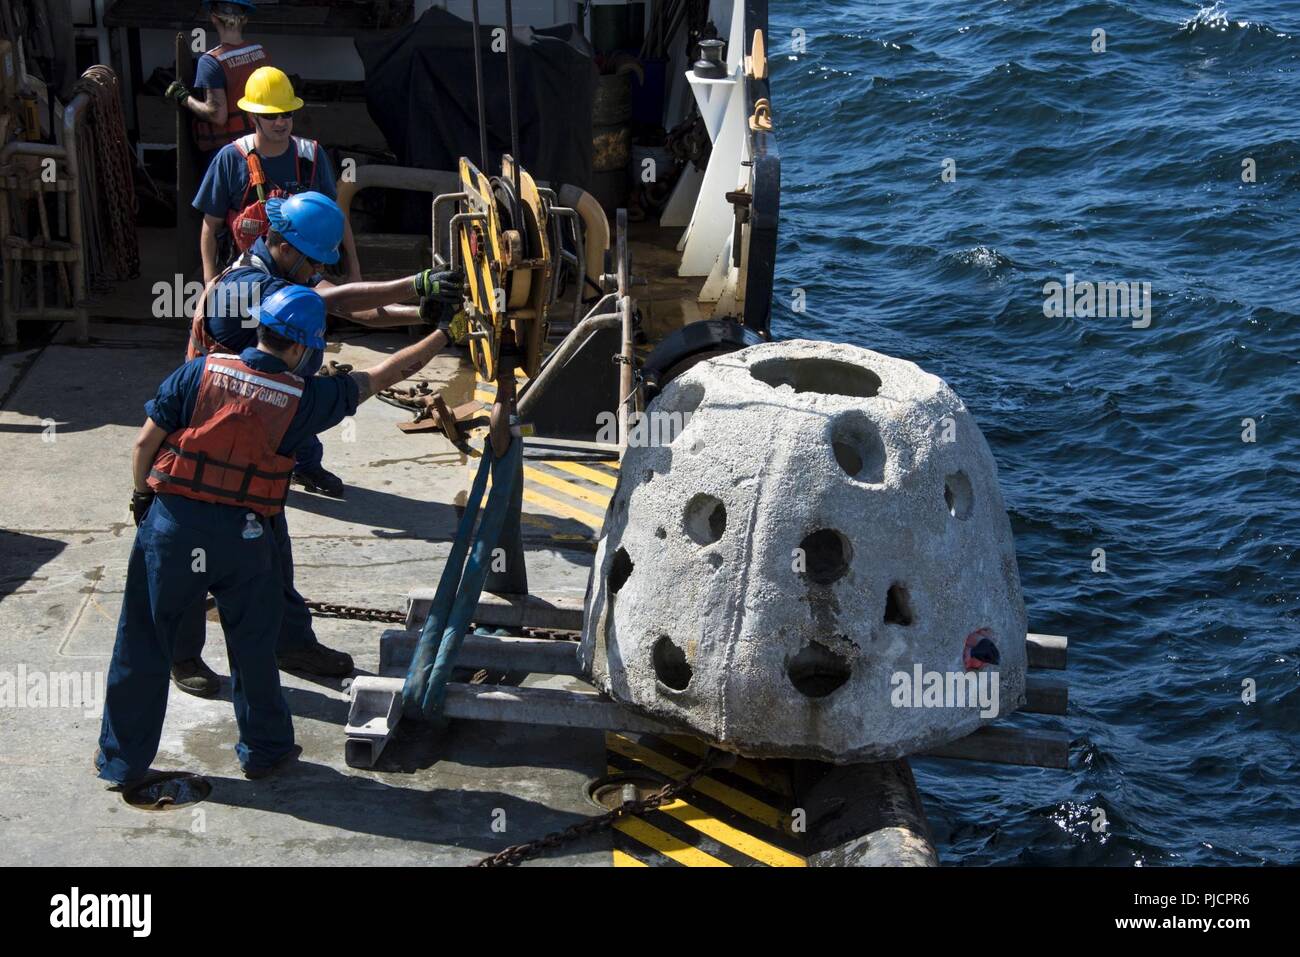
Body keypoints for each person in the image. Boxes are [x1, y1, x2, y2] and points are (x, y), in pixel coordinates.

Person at [96, 285, 460, 786]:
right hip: (247, 538)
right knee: (254, 647)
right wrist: (443, 333)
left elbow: (145, 442)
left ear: (261, 329)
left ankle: (123, 761)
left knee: (142, 642)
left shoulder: (200, 371)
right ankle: (265, 750)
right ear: (302, 347)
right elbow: (385, 374)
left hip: (175, 528)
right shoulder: (305, 400)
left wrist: (143, 497)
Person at [174, 189, 463, 697]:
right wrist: (415, 284)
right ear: (282, 244)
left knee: (270, 549)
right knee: (195, 554)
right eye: (312, 261)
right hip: (208, 437)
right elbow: (333, 303)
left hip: (262, 438)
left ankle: (291, 643)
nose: (315, 271)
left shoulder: (289, 272)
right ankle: (181, 656)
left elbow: (355, 312)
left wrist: (423, 309)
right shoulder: (244, 289)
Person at [192, 66, 362, 284]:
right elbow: (211, 225)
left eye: (286, 113)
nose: (280, 122)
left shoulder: (311, 156)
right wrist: (210, 281)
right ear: (253, 117)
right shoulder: (230, 158)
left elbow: (336, 216)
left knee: (341, 303)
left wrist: (354, 270)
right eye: (271, 115)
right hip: (248, 277)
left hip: (305, 276)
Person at [164, 1, 269, 170]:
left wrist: (185, 98)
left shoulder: (211, 62)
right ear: (245, 19)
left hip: (228, 154)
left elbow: (217, 115)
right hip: (259, 145)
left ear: (213, 18)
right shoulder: (259, 52)